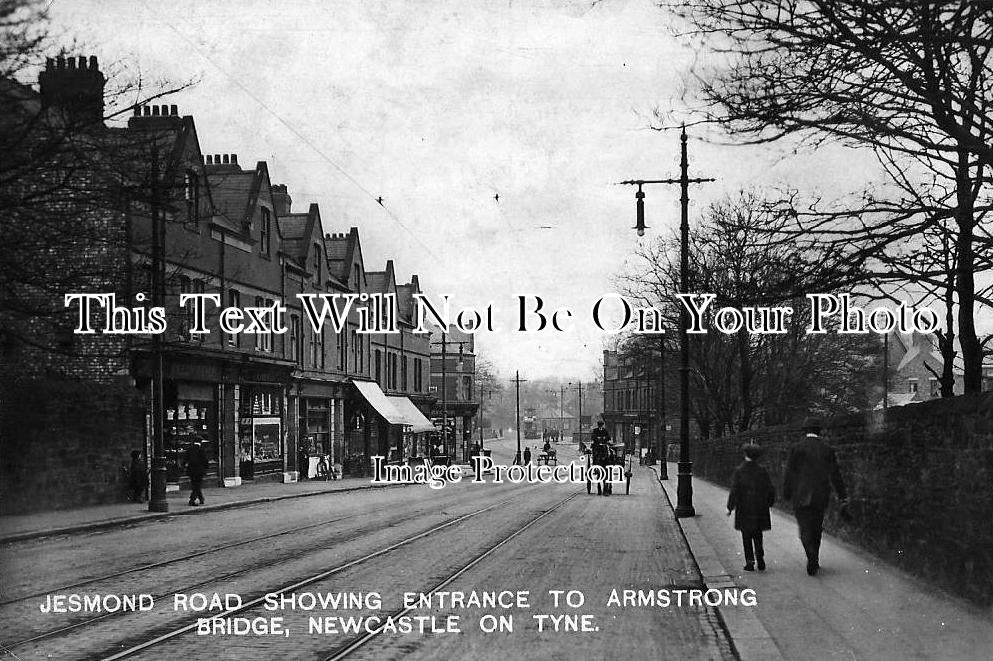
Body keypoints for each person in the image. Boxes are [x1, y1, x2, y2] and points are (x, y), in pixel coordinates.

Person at [783, 417, 849, 576]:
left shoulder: (796, 448)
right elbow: (835, 474)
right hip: (821, 495)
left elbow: (789, 472)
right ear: (819, 431)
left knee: (804, 527)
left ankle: (810, 555)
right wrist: (842, 495)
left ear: (805, 431)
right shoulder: (827, 449)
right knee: (817, 527)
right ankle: (815, 558)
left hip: (800, 495)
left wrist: (787, 492)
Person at [727, 443, 775, 571]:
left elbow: (734, 490)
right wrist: (769, 502)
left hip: (744, 509)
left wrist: (730, 507)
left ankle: (749, 562)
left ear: (745, 455)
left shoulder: (739, 471)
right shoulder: (762, 470)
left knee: (746, 536)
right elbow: (770, 488)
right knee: (758, 534)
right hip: (759, 508)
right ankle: (760, 558)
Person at [185, 438, 209, 506]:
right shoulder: (201, 450)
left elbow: (185, 459)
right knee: (197, 485)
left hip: (191, 470)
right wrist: (206, 468)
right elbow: (205, 460)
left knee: (195, 484)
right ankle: (192, 500)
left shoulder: (189, 449)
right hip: (199, 470)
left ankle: (201, 498)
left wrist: (185, 467)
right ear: (200, 442)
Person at [590, 420, 612, 496]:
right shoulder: (595, 430)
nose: (601, 426)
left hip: (604, 444)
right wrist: (597, 439)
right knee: (595, 453)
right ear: (598, 425)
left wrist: (604, 438)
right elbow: (593, 437)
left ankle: (608, 460)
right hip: (597, 445)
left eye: (601, 425)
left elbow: (608, 437)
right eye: (600, 425)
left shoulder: (605, 430)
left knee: (608, 451)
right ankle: (595, 463)